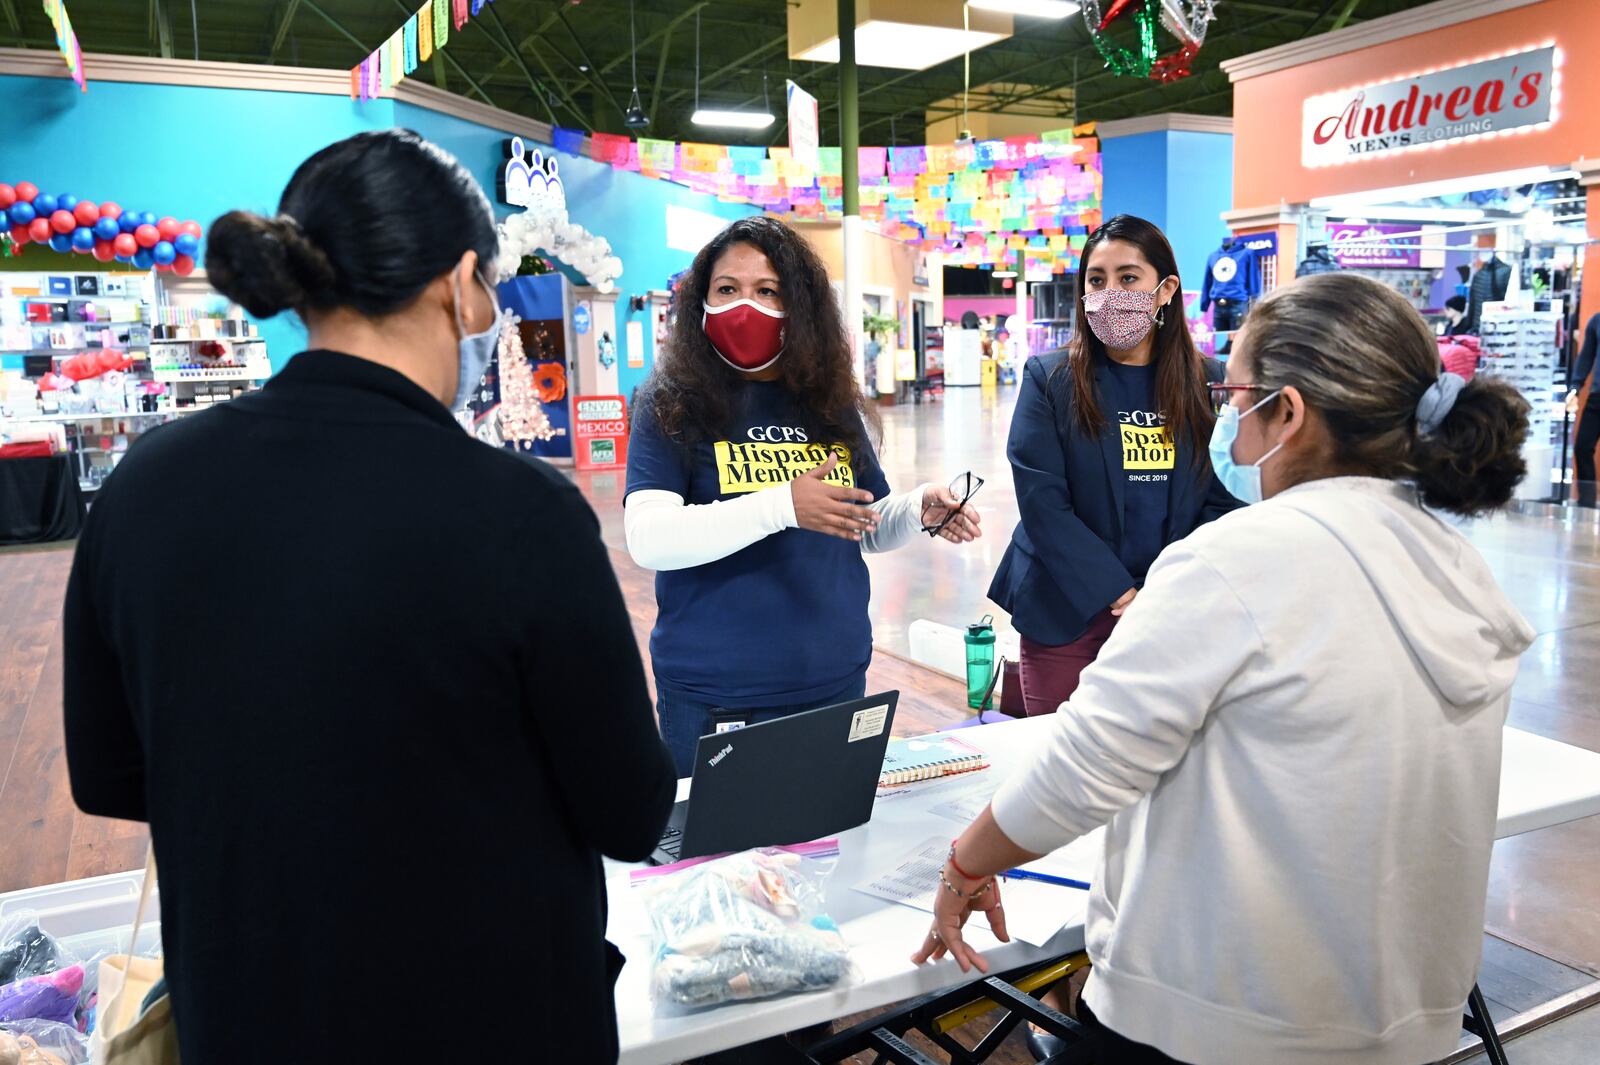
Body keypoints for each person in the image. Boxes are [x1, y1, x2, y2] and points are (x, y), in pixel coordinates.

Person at [62, 130, 676, 1064]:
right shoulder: (519, 512)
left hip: (247, 1009)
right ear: (461, 284)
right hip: (490, 1017)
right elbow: (632, 812)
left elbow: (109, 773)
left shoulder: (146, 486)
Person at [913, 272, 1536, 1065]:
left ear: (1290, 413)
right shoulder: (1458, 570)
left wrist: (967, 863)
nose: (1227, 422)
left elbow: (1081, 769)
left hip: (1211, 1021)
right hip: (1398, 1020)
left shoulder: (1239, 562)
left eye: (1236, 394)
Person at [625, 215, 980, 775]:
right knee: (723, 862)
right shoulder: (671, 401)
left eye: (768, 290)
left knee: (834, 851)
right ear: (701, 303)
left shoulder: (825, 401)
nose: (746, 305)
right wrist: (781, 505)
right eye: (727, 289)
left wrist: (914, 509)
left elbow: (862, 523)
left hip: (832, 679)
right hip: (718, 692)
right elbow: (649, 539)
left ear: (799, 306)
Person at [989, 214, 1239, 719]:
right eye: (1096, 280)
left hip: (1172, 612)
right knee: (1055, 764)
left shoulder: (1211, 381)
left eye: (1128, 278)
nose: (1110, 292)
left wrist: (1163, 590)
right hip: (1066, 609)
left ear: (1165, 289)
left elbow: (1225, 497)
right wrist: (1119, 591)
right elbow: (1042, 501)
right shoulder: (1050, 377)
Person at [1571, 310, 1598, 506]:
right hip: (1597, 397)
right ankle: (1587, 502)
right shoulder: (1596, 321)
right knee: (1582, 447)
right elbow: (1586, 357)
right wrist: (1575, 386)